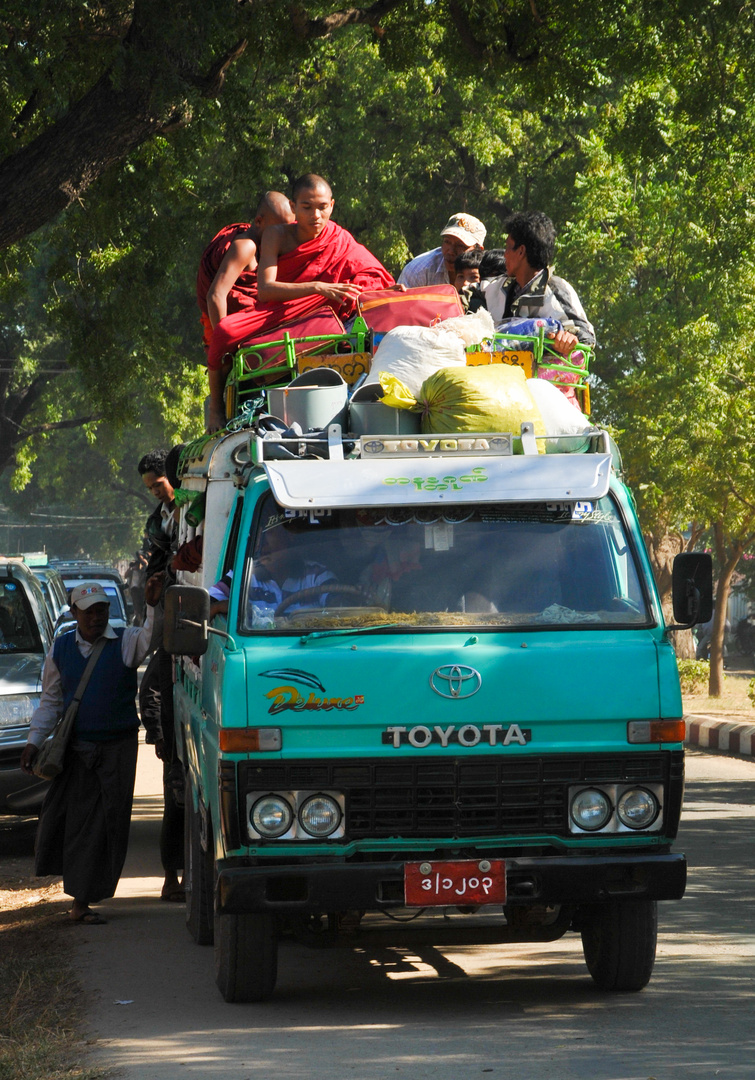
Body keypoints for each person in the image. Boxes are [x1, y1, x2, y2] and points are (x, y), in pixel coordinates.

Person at [19, 577, 162, 924]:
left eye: (101, 611)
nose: (96, 618)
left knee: (108, 824)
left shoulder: (126, 640)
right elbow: (51, 702)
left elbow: (151, 639)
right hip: (78, 752)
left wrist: (153, 605)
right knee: (80, 824)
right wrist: (33, 742)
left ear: (108, 612)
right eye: (88, 612)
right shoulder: (61, 649)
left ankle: (88, 894)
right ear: (74, 613)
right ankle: (80, 900)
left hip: (118, 750)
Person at [206, 174, 396, 428]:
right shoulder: (276, 235)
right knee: (224, 332)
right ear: (293, 208)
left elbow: (368, 271)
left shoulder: (338, 237)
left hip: (325, 308)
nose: (315, 215)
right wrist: (317, 288)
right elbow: (266, 290)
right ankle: (216, 409)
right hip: (282, 307)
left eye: (322, 207)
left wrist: (390, 289)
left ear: (332, 206)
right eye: (306, 207)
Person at [137, 444, 186, 903]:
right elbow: (154, 572)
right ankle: (172, 875)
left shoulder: (196, 508)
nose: (158, 493)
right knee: (176, 791)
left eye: (159, 485)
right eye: (152, 489)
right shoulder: (159, 525)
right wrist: (159, 736)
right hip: (179, 633)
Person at [475, 211, 595, 356]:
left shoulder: (556, 290)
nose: (504, 254)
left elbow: (585, 338)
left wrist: (568, 340)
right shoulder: (497, 288)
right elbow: (469, 300)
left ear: (521, 251)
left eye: (507, 247)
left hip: (542, 377)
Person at [196, 191, 295, 350]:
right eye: (276, 230)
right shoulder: (246, 246)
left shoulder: (263, 245)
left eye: (286, 231)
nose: (281, 237)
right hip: (229, 328)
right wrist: (225, 346)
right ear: (258, 221)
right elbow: (215, 296)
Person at [397, 213, 486, 288]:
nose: (451, 251)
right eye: (447, 242)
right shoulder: (418, 271)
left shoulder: (490, 276)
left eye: (460, 246)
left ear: (479, 251)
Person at [137, 449, 177, 577]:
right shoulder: (155, 521)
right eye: (150, 488)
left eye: (158, 485)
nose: (155, 492)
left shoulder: (190, 511)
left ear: (171, 476)